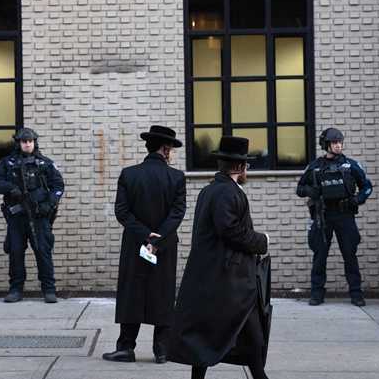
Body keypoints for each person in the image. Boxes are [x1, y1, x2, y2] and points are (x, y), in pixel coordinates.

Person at [168, 136, 270, 379]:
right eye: (247, 165)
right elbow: (230, 231)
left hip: (222, 279)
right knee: (250, 339)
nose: (248, 170)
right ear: (239, 166)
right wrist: (262, 241)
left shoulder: (212, 189)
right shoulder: (226, 191)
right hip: (230, 283)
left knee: (222, 337)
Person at [102, 125, 186, 364]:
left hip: (135, 243)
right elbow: (177, 213)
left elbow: (122, 212)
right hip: (165, 244)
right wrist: (157, 237)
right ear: (166, 149)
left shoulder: (129, 174)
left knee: (132, 291)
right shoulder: (177, 177)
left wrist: (145, 236)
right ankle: (162, 349)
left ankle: (126, 347)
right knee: (163, 291)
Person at [296, 128, 373, 306]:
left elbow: (367, 187)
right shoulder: (315, 166)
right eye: (334, 142)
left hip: (345, 215)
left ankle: (356, 294)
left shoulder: (351, 165)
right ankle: (317, 293)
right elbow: (299, 189)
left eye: (340, 142)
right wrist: (310, 191)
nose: (338, 145)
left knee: (350, 255)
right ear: (326, 145)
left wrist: (357, 200)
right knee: (319, 255)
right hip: (322, 215)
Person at [0, 128, 64, 303]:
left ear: (34, 142)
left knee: (43, 252)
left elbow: (58, 185)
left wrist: (49, 204)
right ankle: (15, 290)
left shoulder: (45, 163)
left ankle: (48, 290)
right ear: (18, 143)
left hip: (39, 216)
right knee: (16, 252)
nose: (27, 144)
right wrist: (11, 189)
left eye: (30, 141)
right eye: (24, 141)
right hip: (17, 217)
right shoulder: (7, 163)